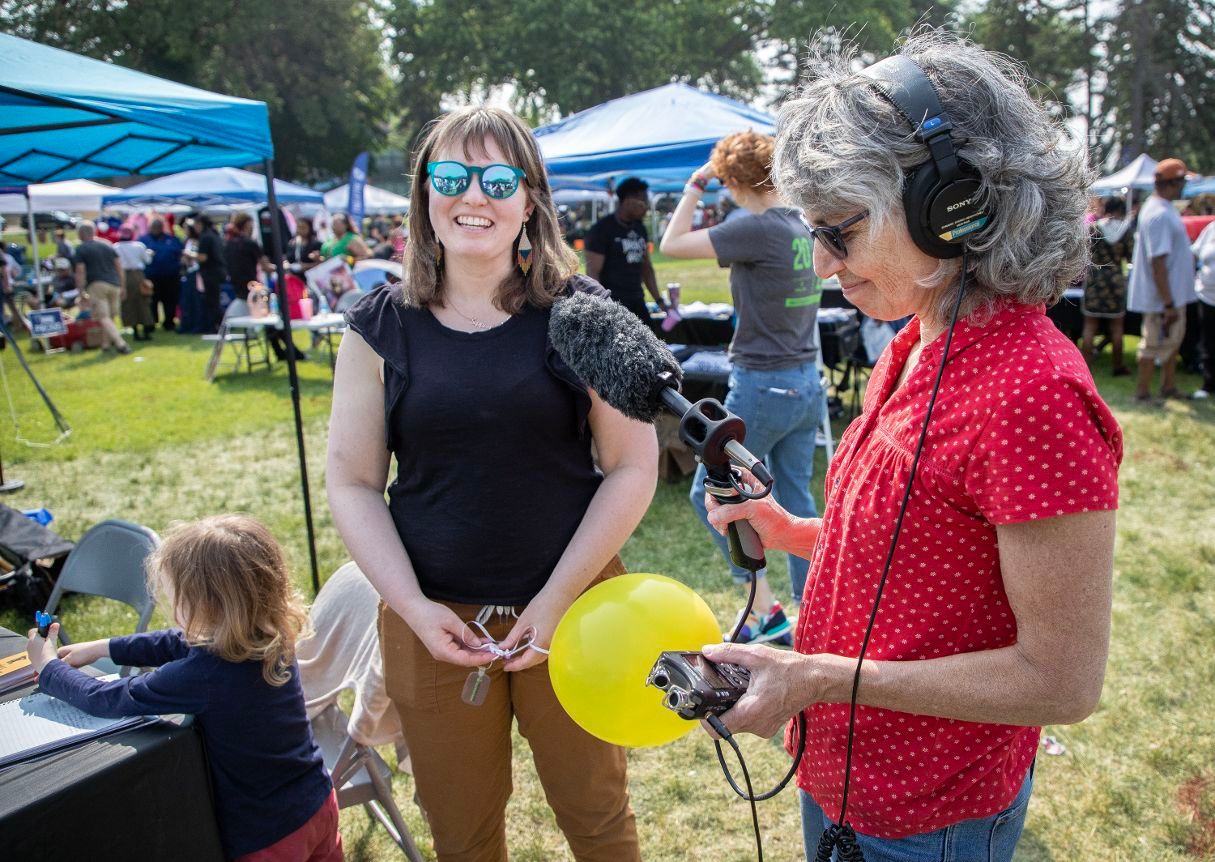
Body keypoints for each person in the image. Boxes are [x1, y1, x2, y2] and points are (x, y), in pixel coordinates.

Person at [697, 31, 1123, 862]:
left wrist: (818, 678)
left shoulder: (1032, 394)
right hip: (848, 776)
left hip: (931, 816)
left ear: (950, 205)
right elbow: (926, 555)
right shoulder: (917, 335)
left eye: (839, 232)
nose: (821, 263)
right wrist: (794, 533)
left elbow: (1061, 681)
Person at [327, 105, 656, 861]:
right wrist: (412, 608)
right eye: (450, 176)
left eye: (496, 178)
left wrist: (553, 602)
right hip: (433, 626)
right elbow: (351, 481)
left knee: (598, 819)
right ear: (423, 196)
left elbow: (632, 466)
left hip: (577, 615)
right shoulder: (377, 326)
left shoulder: (581, 314)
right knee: (461, 833)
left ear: (528, 199)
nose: (471, 195)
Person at [25, 515, 340, 862]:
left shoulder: (203, 674)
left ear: (205, 604)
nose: (170, 609)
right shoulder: (267, 635)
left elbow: (108, 698)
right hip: (318, 801)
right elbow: (181, 641)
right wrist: (105, 647)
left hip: (268, 835)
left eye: (175, 598)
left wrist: (49, 667)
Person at [660, 130, 823, 643]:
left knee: (706, 495)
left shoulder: (753, 227)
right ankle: (816, 613)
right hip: (805, 380)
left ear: (733, 180)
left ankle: (766, 610)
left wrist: (694, 185)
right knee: (796, 501)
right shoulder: (800, 223)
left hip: (763, 383)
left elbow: (670, 244)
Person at [1127, 157, 1197, 403]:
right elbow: (1158, 262)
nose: (1183, 187)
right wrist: (1167, 302)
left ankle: (1168, 386)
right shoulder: (1158, 214)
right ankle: (1143, 393)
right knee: (1153, 344)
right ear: (1172, 182)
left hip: (1171, 295)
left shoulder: (1162, 208)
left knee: (1172, 342)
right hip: (1163, 298)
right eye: (1182, 181)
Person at [584, 177, 668, 322]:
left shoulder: (640, 228)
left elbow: (646, 268)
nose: (646, 207)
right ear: (628, 200)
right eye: (643, 201)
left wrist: (659, 300)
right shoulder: (602, 230)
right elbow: (593, 272)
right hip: (613, 303)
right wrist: (602, 306)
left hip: (637, 300)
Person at [1081, 197, 1133, 375]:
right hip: (1116, 279)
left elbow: (1083, 253)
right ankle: (1117, 365)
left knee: (1090, 325)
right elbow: (1130, 257)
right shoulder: (1126, 229)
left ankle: (1086, 366)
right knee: (1117, 326)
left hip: (1095, 280)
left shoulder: (1093, 228)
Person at [72, 222, 130, 354]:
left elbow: (80, 271)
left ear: (80, 234)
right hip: (114, 283)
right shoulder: (107, 245)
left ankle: (121, 344)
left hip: (97, 284)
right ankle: (105, 345)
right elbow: (119, 267)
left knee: (103, 317)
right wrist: (123, 286)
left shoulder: (81, 249)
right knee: (110, 316)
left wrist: (80, 291)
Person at [139, 217, 185, 331]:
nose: (156, 229)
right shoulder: (143, 240)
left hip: (170, 276)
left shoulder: (172, 239)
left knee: (170, 300)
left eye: (158, 227)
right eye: (154, 227)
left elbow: (180, 253)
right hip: (151, 276)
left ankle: (169, 322)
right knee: (151, 301)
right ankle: (151, 322)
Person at [186, 215, 226, 333]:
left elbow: (203, 257)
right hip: (218, 271)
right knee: (214, 300)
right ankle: (217, 325)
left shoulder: (205, 237)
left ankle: (218, 326)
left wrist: (189, 255)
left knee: (212, 301)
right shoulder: (214, 235)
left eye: (197, 225)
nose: (195, 228)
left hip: (211, 272)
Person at [114, 228, 154, 341]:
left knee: (129, 304)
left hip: (123, 277)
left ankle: (135, 332)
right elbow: (148, 260)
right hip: (138, 275)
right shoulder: (139, 246)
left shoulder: (116, 247)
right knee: (143, 302)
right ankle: (146, 331)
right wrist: (150, 254)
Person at [1191, 218, 1215, 399]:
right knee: (1208, 341)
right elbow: (1195, 253)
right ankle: (1209, 382)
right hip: (1207, 297)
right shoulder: (1211, 228)